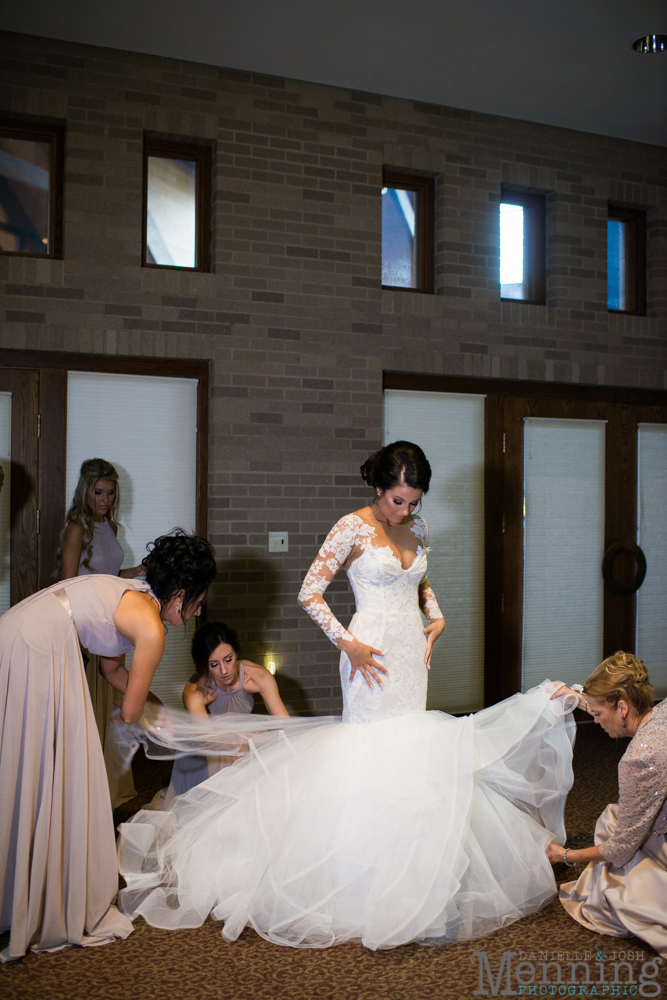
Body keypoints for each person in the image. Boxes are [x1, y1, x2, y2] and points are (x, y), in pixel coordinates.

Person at [117, 442, 576, 950]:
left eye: (414, 502)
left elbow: (420, 582)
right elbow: (309, 592)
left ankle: (421, 871)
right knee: (372, 750)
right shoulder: (351, 527)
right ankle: (362, 878)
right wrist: (349, 643)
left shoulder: (419, 529)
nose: (406, 511)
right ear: (378, 489)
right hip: (367, 652)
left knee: (414, 747)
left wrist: (437, 617)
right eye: (397, 500)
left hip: (410, 654)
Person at [0, 530, 216, 962]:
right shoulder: (152, 628)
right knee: (51, 763)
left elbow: (111, 670)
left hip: (21, 629)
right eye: (196, 601)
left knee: (27, 759)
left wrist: (155, 710)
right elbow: (132, 711)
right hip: (41, 645)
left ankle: (20, 886)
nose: (194, 613)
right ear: (179, 595)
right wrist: (159, 720)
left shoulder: (132, 594)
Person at [547, 652, 667, 957]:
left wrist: (565, 855)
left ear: (622, 707)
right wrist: (578, 698)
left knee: (613, 833)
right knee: (616, 818)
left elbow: (619, 850)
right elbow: (614, 706)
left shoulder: (638, 759)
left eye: (598, 714)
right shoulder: (663, 711)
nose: (596, 721)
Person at [57, 458, 145, 807]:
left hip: (108, 624)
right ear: (85, 491)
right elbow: (67, 584)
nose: (104, 499)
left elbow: (105, 574)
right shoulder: (76, 529)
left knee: (106, 711)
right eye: (98, 492)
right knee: (86, 712)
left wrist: (136, 571)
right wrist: (76, 637)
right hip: (83, 627)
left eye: (110, 492)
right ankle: (81, 796)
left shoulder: (112, 526)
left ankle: (106, 790)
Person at [164, 621, 288, 802]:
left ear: (237, 654)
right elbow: (208, 739)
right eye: (213, 664)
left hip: (246, 740)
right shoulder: (194, 691)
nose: (224, 670)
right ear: (202, 665)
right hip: (210, 750)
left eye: (228, 660)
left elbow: (284, 723)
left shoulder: (258, 676)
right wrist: (235, 742)